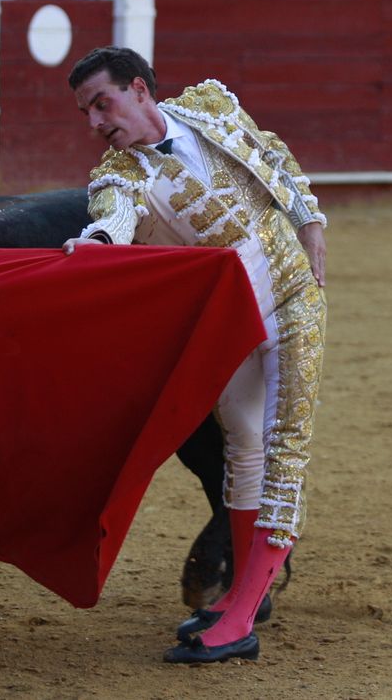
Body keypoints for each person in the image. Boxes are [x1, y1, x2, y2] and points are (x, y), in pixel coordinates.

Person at [60, 45, 327, 666]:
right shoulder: (120, 174)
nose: (96, 122)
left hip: (291, 293)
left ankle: (239, 619)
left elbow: (272, 153)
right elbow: (112, 219)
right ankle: (243, 593)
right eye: (86, 112)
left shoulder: (210, 104)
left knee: (284, 440)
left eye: (103, 103)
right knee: (241, 443)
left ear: (140, 90)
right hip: (227, 320)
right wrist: (96, 245)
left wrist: (310, 218)